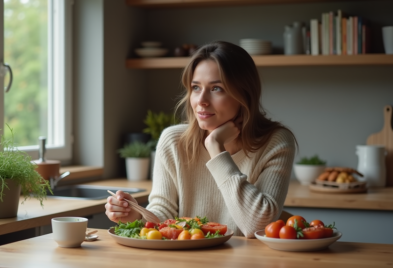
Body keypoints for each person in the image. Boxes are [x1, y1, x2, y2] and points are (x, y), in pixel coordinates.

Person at [105, 41, 297, 238]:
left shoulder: (276, 142)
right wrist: (135, 215)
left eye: (216, 89)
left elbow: (256, 225)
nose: (201, 101)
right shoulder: (173, 141)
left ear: (244, 95)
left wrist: (216, 149)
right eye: (196, 88)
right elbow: (164, 216)